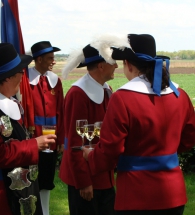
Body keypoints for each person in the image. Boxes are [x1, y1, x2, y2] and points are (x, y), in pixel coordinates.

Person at [82, 34, 195, 215]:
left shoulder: (122, 98)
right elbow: (189, 138)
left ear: (128, 64)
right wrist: (164, 153)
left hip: (135, 195)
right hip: (173, 193)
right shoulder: (179, 95)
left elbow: (110, 150)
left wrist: (91, 156)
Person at [0, 43, 56, 215]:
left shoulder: (10, 102)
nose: (23, 76)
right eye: (21, 72)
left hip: (19, 191)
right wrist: (32, 145)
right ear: (8, 77)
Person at [59, 40, 119, 215]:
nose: (116, 65)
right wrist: (83, 181)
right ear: (101, 66)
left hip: (102, 175)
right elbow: (74, 141)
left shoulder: (107, 89)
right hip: (87, 179)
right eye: (112, 62)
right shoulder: (78, 94)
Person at [28, 41, 64, 215]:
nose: (54, 61)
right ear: (39, 59)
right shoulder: (24, 81)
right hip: (31, 141)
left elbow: (60, 112)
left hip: (51, 141)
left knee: (46, 180)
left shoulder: (55, 81)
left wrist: (61, 139)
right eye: (50, 58)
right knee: (31, 181)